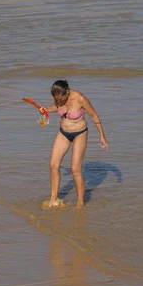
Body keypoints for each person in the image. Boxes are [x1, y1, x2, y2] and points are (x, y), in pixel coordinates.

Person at [39, 80, 108, 209]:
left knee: (75, 170)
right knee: (53, 165)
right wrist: (47, 109)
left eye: (60, 99)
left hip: (79, 134)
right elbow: (56, 107)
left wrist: (102, 136)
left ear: (67, 92)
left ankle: (80, 203)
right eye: (56, 99)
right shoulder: (58, 98)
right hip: (63, 133)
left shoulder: (80, 98)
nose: (58, 101)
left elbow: (94, 115)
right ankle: (53, 199)